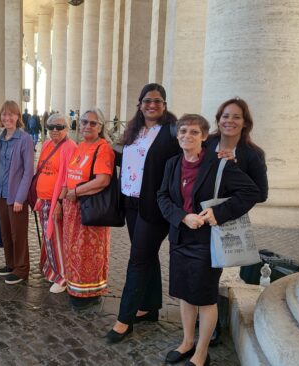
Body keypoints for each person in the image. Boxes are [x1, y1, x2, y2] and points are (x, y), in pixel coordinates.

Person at [157, 114, 260, 366]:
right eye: (182, 131)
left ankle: (202, 351)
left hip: (207, 240)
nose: (186, 136)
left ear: (204, 136)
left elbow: (251, 192)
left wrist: (217, 213)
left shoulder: (219, 164)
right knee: (185, 293)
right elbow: (162, 196)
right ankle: (187, 342)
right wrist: (182, 217)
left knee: (204, 296)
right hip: (180, 236)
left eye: (193, 132)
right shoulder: (172, 163)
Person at [106, 83, 180, 343]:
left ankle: (124, 319)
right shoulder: (134, 130)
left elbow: (193, 151)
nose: (152, 105)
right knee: (147, 255)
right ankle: (149, 308)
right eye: (147, 100)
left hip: (154, 206)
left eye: (157, 101)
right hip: (131, 203)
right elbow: (126, 158)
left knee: (137, 259)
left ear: (164, 105)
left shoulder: (172, 131)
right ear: (139, 104)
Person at [205, 97, 269, 345]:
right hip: (201, 216)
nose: (229, 121)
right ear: (218, 120)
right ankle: (204, 316)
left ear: (245, 123)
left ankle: (212, 324)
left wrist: (233, 168)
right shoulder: (207, 143)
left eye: (236, 117)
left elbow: (261, 193)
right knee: (202, 269)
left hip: (228, 219)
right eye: (225, 116)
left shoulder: (252, 154)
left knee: (217, 269)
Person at [62, 108, 115, 310]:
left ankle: (89, 292)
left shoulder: (103, 148)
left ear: (100, 127)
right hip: (72, 207)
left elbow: (103, 180)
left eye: (93, 123)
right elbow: (71, 173)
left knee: (89, 252)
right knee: (74, 249)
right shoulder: (80, 146)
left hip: (89, 207)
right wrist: (64, 195)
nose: (87, 126)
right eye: (84, 122)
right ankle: (75, 287)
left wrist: (76, 192)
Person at [33, 113, 77, 293]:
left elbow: (68, 177)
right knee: (48, 238)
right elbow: (40, 169)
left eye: (59, 127)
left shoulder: (70, 147)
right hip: (43, 199)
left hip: (56, 201)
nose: (54, 130)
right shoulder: (46, 144)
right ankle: (51, 269)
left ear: (67, 129)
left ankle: (63, 276)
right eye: (50, 127)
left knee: (57, 238)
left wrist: (59, 202)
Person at [0, 100, 34, 285]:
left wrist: (20, 197)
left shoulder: (24, 139)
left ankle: (22, 269)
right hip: (0, 193)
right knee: (6, 232)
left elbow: (28, 171)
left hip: (16, 196)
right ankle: (10, 264)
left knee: (18, 233)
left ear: (18, 116)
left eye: (11, 114)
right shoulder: (0, 137)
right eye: (4, 114)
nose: (7, 118)